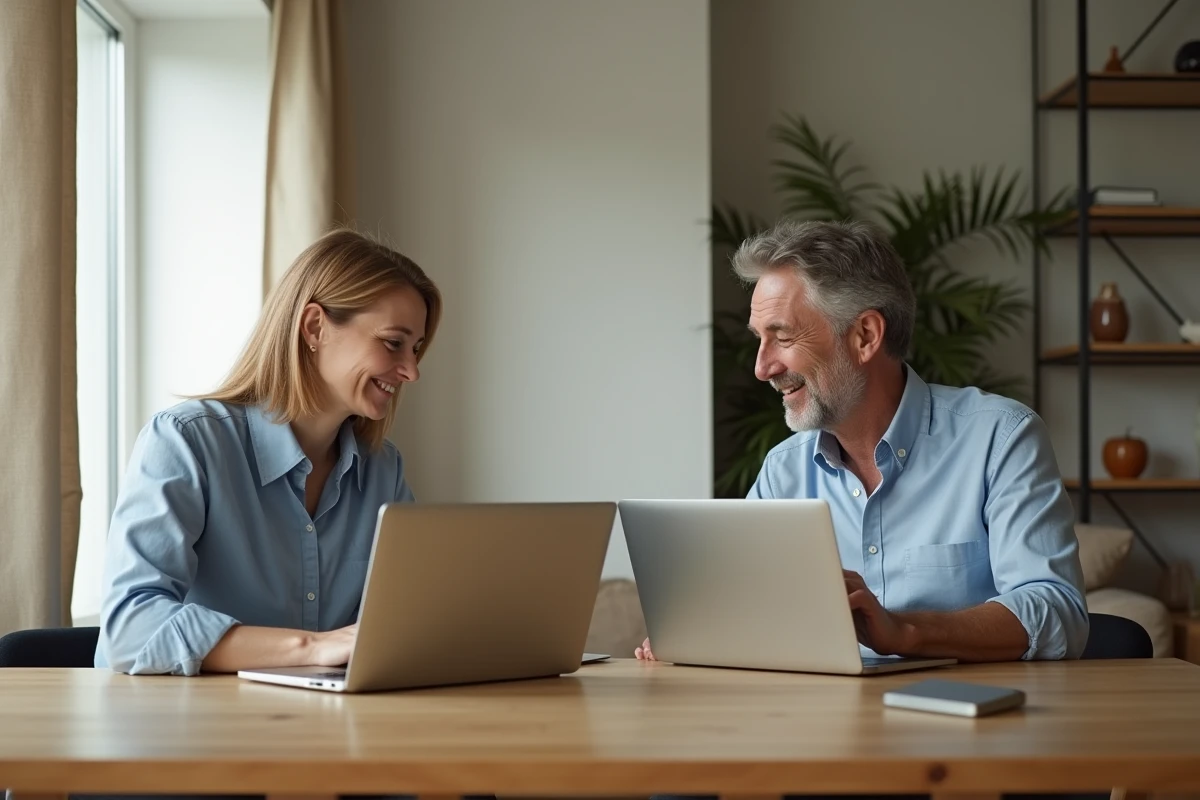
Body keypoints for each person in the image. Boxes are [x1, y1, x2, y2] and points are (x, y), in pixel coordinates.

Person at [637, 219, 1088, 664]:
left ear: (865, 336)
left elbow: (1057, 610)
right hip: (825, 729)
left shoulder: (1001, 439)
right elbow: (740, 609)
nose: (762, 368)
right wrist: (694, 636)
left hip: (969, 728)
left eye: (783, 337)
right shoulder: (783, 472)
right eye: (760, 341)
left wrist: (906, 631)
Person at [95, 228, 441, 676]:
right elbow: (129, 628)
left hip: (331, 731)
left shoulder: (382, 469)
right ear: (315, 326)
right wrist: (310, 647)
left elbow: (410, 619)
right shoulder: (186, 442)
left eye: (416, 350)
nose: (411, 371)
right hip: (186, 732)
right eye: (393, 343)